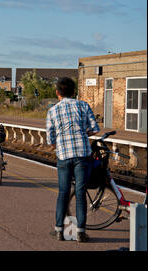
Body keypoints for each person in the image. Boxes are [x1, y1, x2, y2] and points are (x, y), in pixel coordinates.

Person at [46, 77, 100, 243]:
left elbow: (50, 139)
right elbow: (95, 129)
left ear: (57, 93)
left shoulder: (52, 111)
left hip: (63, 156)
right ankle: (80, 233)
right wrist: (83, 134)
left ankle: (59, 231)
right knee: (80, 193)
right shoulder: (83, 105)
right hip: (82, 155)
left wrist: (60, 143)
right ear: (74, 92)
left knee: (63, 192)